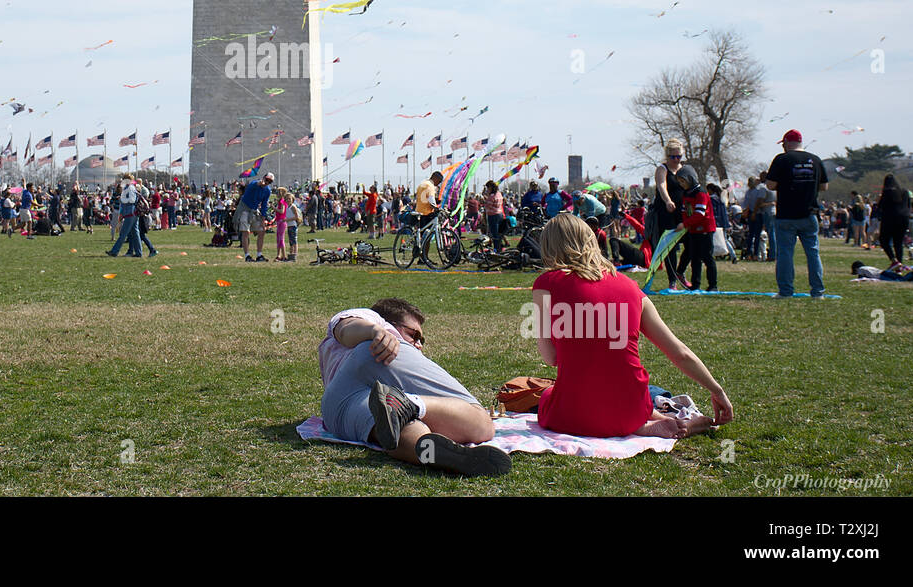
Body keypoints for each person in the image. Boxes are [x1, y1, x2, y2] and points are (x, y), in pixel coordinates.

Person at [532, 214, 732, 438]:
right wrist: (717, 390)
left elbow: (551, 358)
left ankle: (651, 423)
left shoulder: (546, 284)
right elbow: (679, 352)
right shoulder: (630, 287)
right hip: (631, 409)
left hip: (573, 416)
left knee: (549, 394)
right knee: (634, 390)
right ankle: (655, 422)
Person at [319, 298, 509, 476]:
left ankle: (430, 451)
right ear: (389, 323)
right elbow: (345, 328)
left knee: (392, 428)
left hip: (334, 407)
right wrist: (376, 332)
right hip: (375, 356)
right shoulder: (373, 320)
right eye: (413, 335)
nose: (418, 345)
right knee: (481, 423)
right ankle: (410, 404)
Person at [765, 129, 829, 298]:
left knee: (785, 253)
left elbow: (770, 185)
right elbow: (824, 186)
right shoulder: (815, 160)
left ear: (786, 143)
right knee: (813, 252)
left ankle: (786, 291)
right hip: (809, 213)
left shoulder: (781, 159)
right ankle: (818, 292)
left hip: (786, 214)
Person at [673, 167, 717, 291]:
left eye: (683, 181)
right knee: (695, 258)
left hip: (705, 230)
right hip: (693, 230)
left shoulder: (701, 193)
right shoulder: (686, 193)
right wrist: (684, 223)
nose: (681, 185)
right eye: (680, 182)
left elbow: (699, 213)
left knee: (707, 258)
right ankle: (695, 285)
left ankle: (713, 285)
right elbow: (684, 210)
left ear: (690, 178)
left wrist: (685, 224)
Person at [651, 138, 686, 285]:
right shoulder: (662, 169)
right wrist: (667, 201)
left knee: (690, 243)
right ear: (667, 156)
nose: (676, 160)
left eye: (679, 156)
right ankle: (672, 280)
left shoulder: (684, 169)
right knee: (670, 246)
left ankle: (680, 271)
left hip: (682, 211)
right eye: (673, 157)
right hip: (666, 211)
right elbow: (661, 186)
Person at [874, 174, 913, 270]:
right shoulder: (905, 191)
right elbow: (908, 205)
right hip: (903, 218)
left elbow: (881, 207)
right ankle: (900, 265)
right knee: (898, 243)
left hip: (890, 218)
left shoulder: (887, 192)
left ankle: (894, 260)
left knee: (884, 240)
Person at [237, 172, 274, 262]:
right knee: (245, 232)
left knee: (262, 231)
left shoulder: (267, 191)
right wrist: (259, 183)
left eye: (269, 181)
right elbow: (253, 186)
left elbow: (264, 205)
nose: (267, 182)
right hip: (244, 208)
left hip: (254, 210)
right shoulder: (254, 183)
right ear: (263, 177)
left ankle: (259, 255)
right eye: (266, 179)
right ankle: (247, 256)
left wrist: (263, 218)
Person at [107, 177, 143, 258]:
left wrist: (122, 200)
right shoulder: (132, 188)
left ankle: (114, 251)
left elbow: (130, 200)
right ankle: (138, 252)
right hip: (134, 212)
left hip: (130, 213)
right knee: (135, 233)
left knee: (123, 233)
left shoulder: (128, 188)